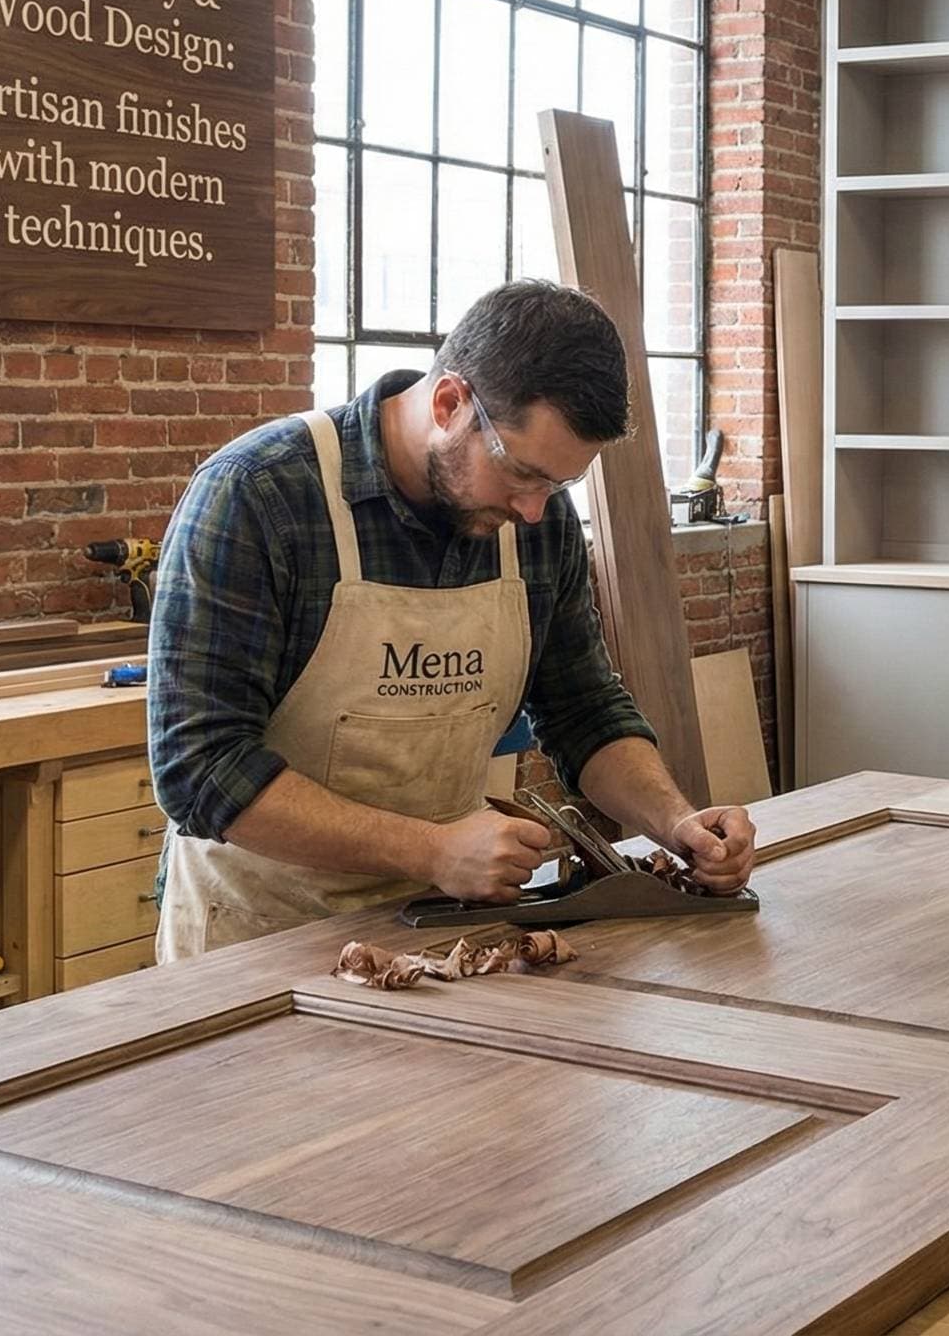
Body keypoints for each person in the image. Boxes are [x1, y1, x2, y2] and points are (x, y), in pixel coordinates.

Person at [147, 279, 755, 958]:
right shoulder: (258, 497)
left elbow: (583, 709)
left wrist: (675, 822)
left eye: (557, 486)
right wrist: (430, 848)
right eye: (522, 474)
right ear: (449, 404)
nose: (534, 509)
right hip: (263, 935)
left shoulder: (537, 521)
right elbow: (199, 768)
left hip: (443, 928)